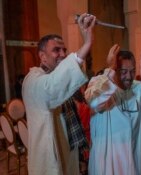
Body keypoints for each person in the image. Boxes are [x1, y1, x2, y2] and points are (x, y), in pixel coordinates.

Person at [22, 13, 96, 175]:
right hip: (48, 160)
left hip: (67, 151)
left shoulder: (54, 77)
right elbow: (51, 89)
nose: (63, 54)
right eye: (56, 50)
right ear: (42, 57)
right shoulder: (32, 80)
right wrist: (87, 43)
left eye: (64, 50)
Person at [84, 44, 141, 175]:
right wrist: (109, 70)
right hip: (107, 162)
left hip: (134, 158)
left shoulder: (138, 88)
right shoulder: (100, 82)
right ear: (115, 69)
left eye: (132, 71)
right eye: (123, 71)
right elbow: (95, 101)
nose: (129, 76)